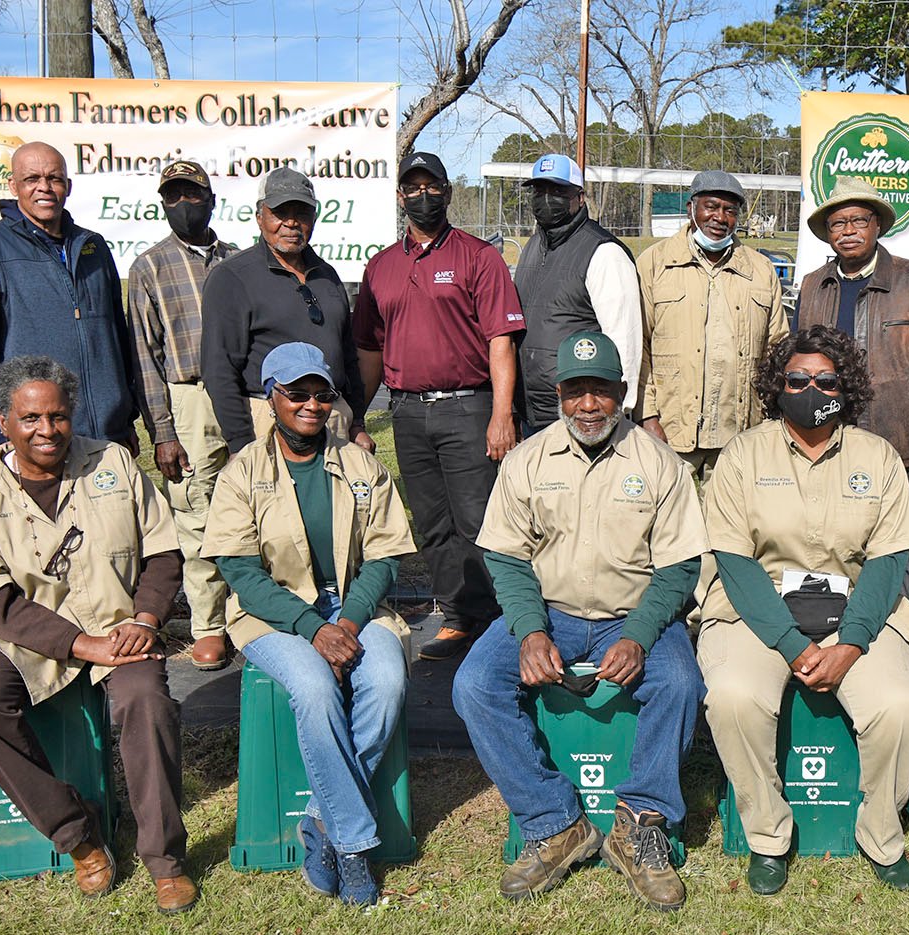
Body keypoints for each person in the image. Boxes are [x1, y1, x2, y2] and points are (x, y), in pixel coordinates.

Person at [452, 331, 706, 911]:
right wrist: (530, 628)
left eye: (600, 391)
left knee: (681, 682)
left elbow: (679, 567)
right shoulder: (526, 460)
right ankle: (554, 820)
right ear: (558, 394)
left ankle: (641, 821)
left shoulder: (659, 464)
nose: (587, 405)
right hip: (550, 613)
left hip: (633, 614)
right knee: (474, 684)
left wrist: (642, 635)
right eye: (575, 391)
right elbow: (507, 557)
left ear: (622, 393)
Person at [0, 355, 194, 913]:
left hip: (122, 627)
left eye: (57, 416)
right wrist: (80, 645)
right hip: (27, 639)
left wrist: (145, 619)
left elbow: (162, 551)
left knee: (146, 701)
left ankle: (166, 860)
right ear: (4, 422)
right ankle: (77, 836)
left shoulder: (114, 463)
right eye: (31, 419)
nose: (47, 431)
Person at [698, 325, 909, 896]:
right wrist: (793, 645)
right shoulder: (742, 456)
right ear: (777, 386)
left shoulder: (877, 457)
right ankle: (768, 836)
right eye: (797, 379)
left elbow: (887, 561)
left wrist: (850, 644)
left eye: (825, 380)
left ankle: (880, 834)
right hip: (758, 612)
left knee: (902, 707)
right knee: (733, 698)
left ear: (844, 386)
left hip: (858, 610)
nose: (811, 389)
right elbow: (735, 562)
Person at [202, 342, 415, 906]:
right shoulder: (242, 473)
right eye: (297, 393)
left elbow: (387, 556)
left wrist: (344, 620)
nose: (312, 405)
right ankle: (352, 846)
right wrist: (311, 626)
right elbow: (240, 570)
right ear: (271, 398)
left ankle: (321, 821)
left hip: (353, 608)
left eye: (322, 394)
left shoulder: (361, 464)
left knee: (388, 680)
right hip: (273, 617)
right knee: (317, 688)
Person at [353, 152, 525, 661]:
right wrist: (356, 415)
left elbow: (501, 340)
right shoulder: (381, 267)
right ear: (400, 196)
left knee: (479, 521)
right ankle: (456, 617)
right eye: (412, 187)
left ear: (449, 193)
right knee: (433, 524)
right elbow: (368, 349)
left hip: (467, 408)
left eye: (432, 186)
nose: (422, 195)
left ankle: (499, 621)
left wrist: (501, 413)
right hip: (407, 411)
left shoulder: (479, 257)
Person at [0, 142, 138, 452]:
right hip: (37, 439)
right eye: (31, 179)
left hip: (107, 437)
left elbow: (117, 337)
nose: (44, 188)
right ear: (13, 186)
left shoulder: (94, 247)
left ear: (68, 186)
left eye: (54, 178)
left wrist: (125, 418)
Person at [126, 160, 238, 670]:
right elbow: (144, 357)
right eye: (172, 197)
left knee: (255, 503)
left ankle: (251, 614)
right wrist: (162, 430)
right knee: (195, 513)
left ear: (211, 200)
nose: (183, 205)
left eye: (192, 195)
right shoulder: (148, 267)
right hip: (187, 396)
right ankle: (209, 624)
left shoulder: (237, 260)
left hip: (242, 392)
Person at [794, 176, 909, 482]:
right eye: (837, 223)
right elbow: (794, 364)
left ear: (877, 225)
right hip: (823, 442)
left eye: (858, 220)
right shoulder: (811, 286)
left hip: (899, 450)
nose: (848, 231)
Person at [201, 167, 371, 455]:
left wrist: (357, 423)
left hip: (331, 415)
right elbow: (219, 369)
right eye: (280, 212)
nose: (291, 223)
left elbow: (348, 356)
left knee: (333, 500)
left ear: (315, 218)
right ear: (259, 217)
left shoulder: (327, 275)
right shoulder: (232, 277)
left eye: (302, 213)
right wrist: (241, 443)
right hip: (268, 420)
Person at [635, 170, 789, 481]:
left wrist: (769, 425)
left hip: (740, 438)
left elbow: (778, 349)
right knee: (674, 526)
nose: (720, 218)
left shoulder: (760, 271)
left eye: (730, 211)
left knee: (731, 528)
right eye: (711, 206)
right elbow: (639, 347)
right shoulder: (655, 264)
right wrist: (647, 415)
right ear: (692, 208)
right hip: (672, 436)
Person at [512, 154, 642, 430]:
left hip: (582, 416)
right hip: (530, 413)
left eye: (558, 191)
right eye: (540, 191)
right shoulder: (532, 247)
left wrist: (621, 410)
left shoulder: (604, 252)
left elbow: (624, 338)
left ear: (580, 197)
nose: (547, 199)